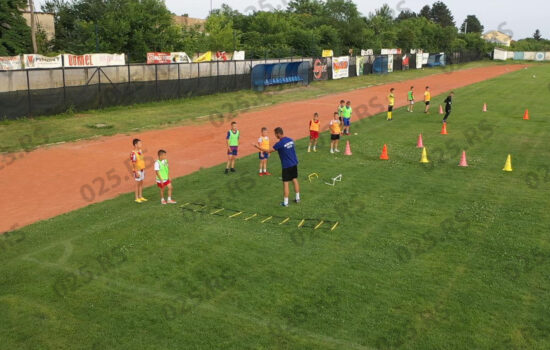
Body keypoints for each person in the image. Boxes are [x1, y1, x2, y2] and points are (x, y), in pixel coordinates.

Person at [253, 127, 300, 207]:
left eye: (275, 134)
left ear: (278, 134)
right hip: (294, 164)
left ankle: (285, 203)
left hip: (286, 166)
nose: (275, 136)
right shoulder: (290, 140)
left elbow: (268, 151)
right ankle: (298, 198)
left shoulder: (279, 144)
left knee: (286, 183)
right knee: (294, 180)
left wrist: (257, 147)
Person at [130, 138, 147, 203]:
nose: (141, 144)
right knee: (137, 184)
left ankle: (140, 196)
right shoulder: (133, 153)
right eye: (140, 143)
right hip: (137, 171)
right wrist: (136, 172)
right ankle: (136, 198)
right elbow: (133, 163)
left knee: (141, 183)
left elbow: (141, 160)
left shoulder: (140, 151)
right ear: (136, 145)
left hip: (142, 169)